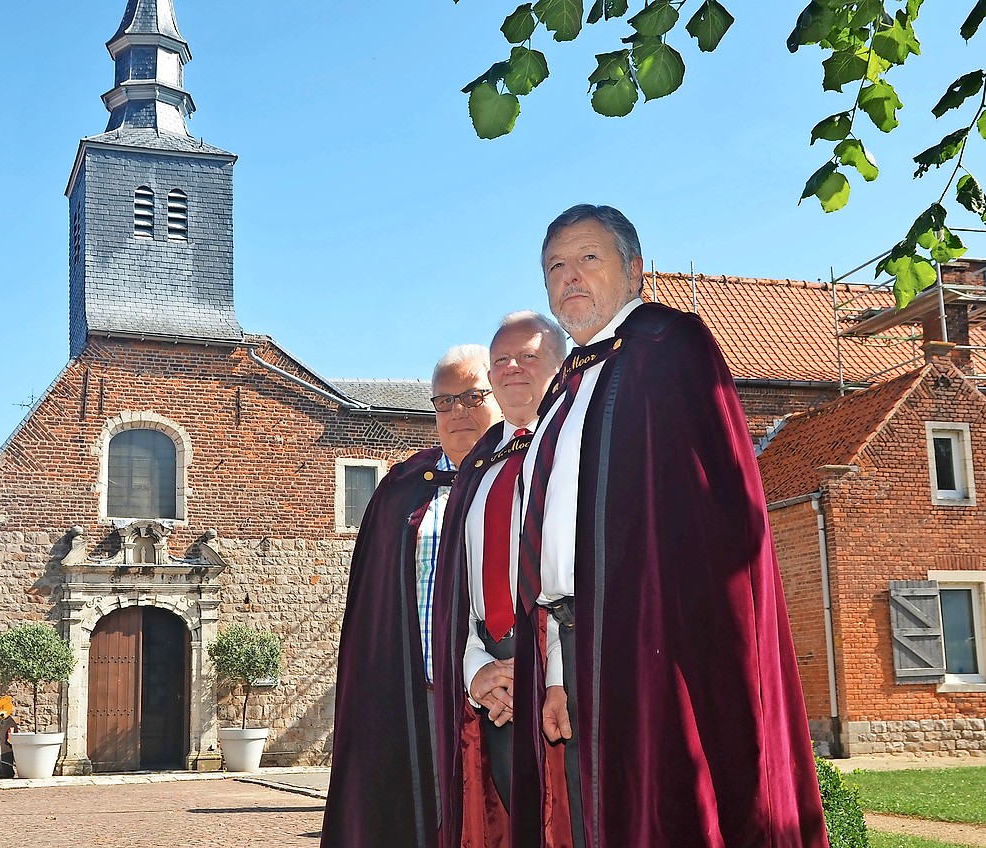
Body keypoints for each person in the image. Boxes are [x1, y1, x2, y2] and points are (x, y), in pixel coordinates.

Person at [508, 205, 830, 847]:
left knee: (664, 817)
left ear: (635, 270)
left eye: (589, 258)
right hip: (576, 643)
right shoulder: (567, 387)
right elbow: (555, 543)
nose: (570, 276)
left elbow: (717, 521)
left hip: (656, 641)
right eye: (556, 266)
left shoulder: (668, 348)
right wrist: (555, 672)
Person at [321, 344, 502, 848]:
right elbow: (371, 604)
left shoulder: (523, 474)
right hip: (412, 694)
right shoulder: (401, 486)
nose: (457, 413)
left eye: (471, 396)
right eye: (444, 402)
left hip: (495, 695)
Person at [432, 312, 568, 848]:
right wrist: (475, 669)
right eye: (501, 360)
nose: (513, 368)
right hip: (496, 684)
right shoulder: (479, 470)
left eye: (529, 356)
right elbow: (459, 593)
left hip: (563, 673)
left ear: (561, 367)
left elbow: (577, 574)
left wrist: (544, 668)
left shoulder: (573, 453)